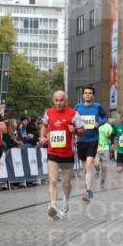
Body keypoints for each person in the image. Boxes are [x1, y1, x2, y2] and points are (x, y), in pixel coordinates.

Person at [39, 90, 83, 220]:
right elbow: (44, 125)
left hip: (67, 153)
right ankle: (52, 204)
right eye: (56, 100)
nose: (59, 103)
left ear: (66, 101)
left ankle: (66, 199)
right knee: (52, 179)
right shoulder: (48, 113)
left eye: (61, 100)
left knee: (66, 183)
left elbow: (82, 130)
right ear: (53, 101)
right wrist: (42, 136)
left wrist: (74, 130)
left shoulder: (73, 114)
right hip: (53, 152)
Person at [73, 85, 108, 202]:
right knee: (85, 168)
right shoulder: (78, 107)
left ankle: (88, 192)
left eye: (90, 93)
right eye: (86, 93)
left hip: (93, 140)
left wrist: (99, 123)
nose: (87, 95)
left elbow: (105, 117)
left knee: (88, 165)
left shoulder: (97, 107)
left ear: (93, 95)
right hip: (81, 140)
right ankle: (88, 189)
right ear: (83, 95)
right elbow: (72, 120)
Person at [94, 115, 114, 189]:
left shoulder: (108, 126)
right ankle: (97, 170)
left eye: (101, 117)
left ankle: (102, 182)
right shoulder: (96, 125)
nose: (100, 118)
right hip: (96, 148)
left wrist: (108, 136)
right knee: (96, 164)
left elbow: (112, 136)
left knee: (104, 167)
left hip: (105, 149)